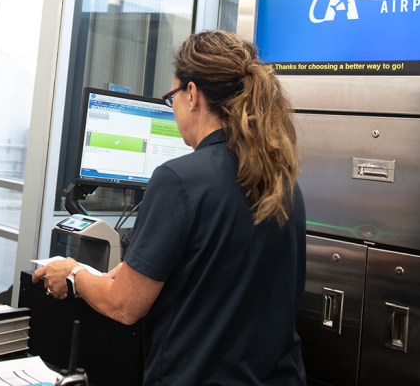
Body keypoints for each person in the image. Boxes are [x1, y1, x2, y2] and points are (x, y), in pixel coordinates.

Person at [34, 31, 306, 386]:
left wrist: (73, 274)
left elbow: (125, 306)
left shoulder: (179, 179)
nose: (173, 106)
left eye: (172, 96)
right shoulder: (281, 179)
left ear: (192, 94)